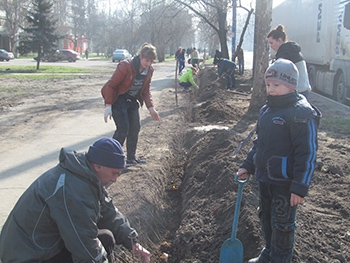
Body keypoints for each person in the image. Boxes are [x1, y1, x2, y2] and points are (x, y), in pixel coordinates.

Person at [0, 137, 151, 263]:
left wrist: (133, 243)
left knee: (106, 238)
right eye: (113, 173)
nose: (115, 179)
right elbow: (84, 246)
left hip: (45, 246)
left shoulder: (86, 176)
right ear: (98, 166)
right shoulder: (73, 190)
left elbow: (109, 213)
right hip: (28, 256)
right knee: (95, 248)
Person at [237, 59, 321, 263]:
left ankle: (280, 258)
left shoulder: (300, 113)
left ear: (291, 85)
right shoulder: (267, 111)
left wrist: (300, 186)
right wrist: (248, 164)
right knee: (265, 216)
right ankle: (269, 251)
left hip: (285, 183)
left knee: (283, 223)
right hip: (265, 178)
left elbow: (307, 153)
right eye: (268, 85)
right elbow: (259, 143)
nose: (271, 90)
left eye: (276, 85)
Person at [102, 43, 161, 167]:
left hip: (132, 100)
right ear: (140, 56)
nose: (149, 63)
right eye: (147, 60)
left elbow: (146, 90)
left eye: (151, 61)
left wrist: (151, 108)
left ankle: (130, 159)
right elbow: (111, 85)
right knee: (123, 128)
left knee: (135, 128)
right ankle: (110, 159)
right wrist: (108, 106)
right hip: (119, 99)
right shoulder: (125, 66)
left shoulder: (149, 71)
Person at [267, 24, 311, 99]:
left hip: (297, 91)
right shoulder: (291, 49)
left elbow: (278, 77)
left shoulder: (284, 52)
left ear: (279, 40)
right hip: (304, 88)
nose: (271, 46)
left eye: (271, 43)